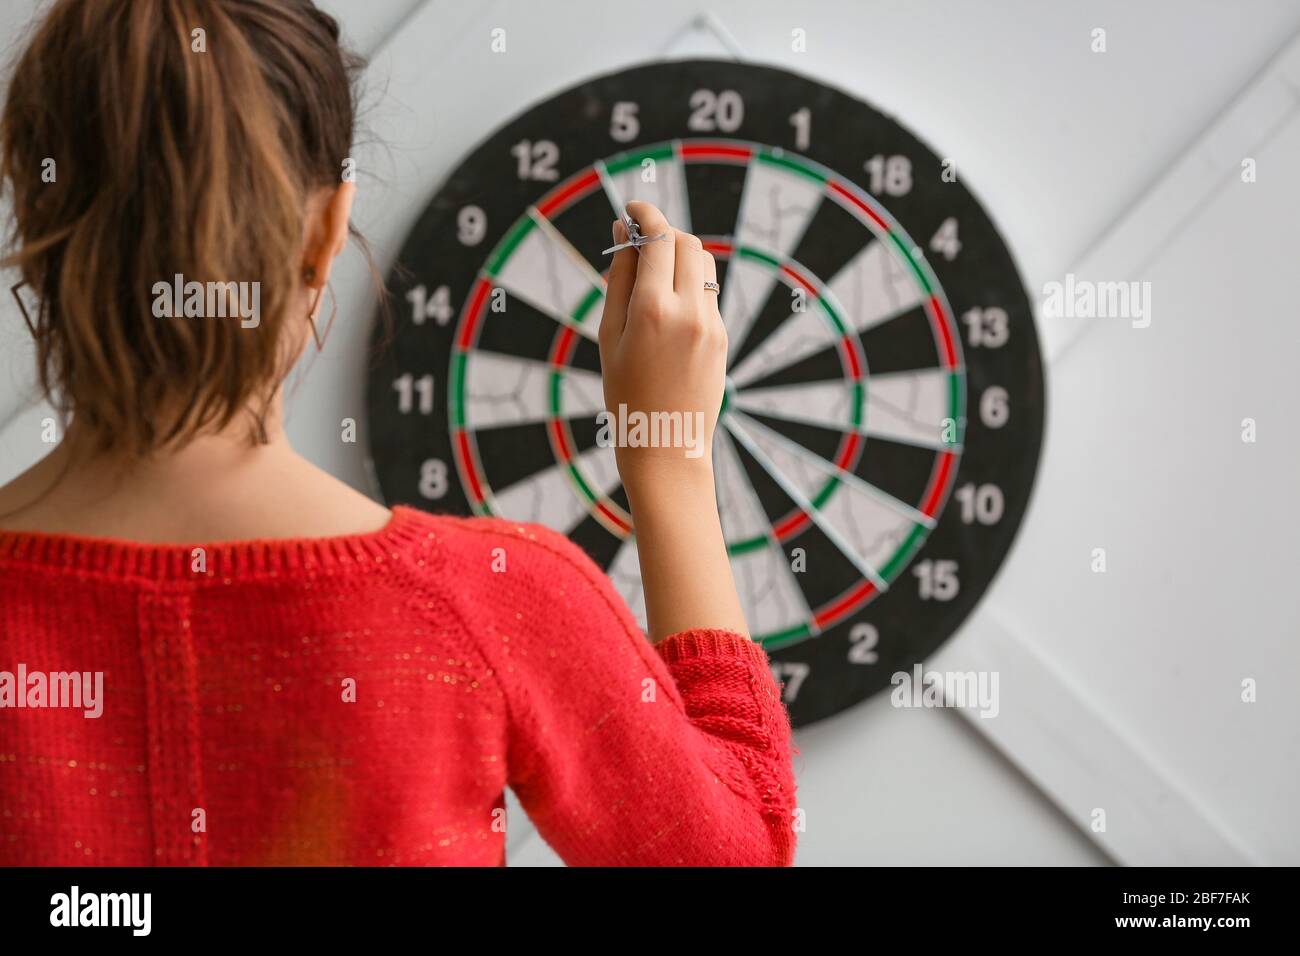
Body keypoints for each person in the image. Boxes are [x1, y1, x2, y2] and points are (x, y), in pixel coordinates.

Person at [0, 0, 796, 866]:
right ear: (327, 231)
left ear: (36, 219)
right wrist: (673, 462)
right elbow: (738, 851)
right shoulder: (495, 602)